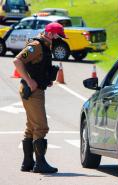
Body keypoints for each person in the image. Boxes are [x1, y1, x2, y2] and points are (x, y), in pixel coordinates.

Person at [13, 22, 67, 173]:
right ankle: (40, 164)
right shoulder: (36, 45)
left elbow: (37, 66)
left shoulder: (45, 46)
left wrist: (45, 79)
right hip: (32, 91)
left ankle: (28, 163)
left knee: (31, 126)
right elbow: (17, 61)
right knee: (41, 126)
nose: (59, 39)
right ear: (49, 34)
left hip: (36, 89)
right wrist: (30, 81)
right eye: (58, 36)